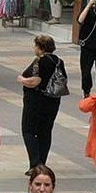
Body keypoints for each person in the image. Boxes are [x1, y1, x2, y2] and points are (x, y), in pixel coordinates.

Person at [17, 34, 67, 168]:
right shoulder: (58, 61)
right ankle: (42, 163)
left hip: (36, 101)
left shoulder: (40, 61)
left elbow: (35, 81)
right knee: (45, 132)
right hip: (53, 101)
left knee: (28, 131)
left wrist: (22, 80)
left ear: (40, 47)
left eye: (35, 45)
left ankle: (35, 162)